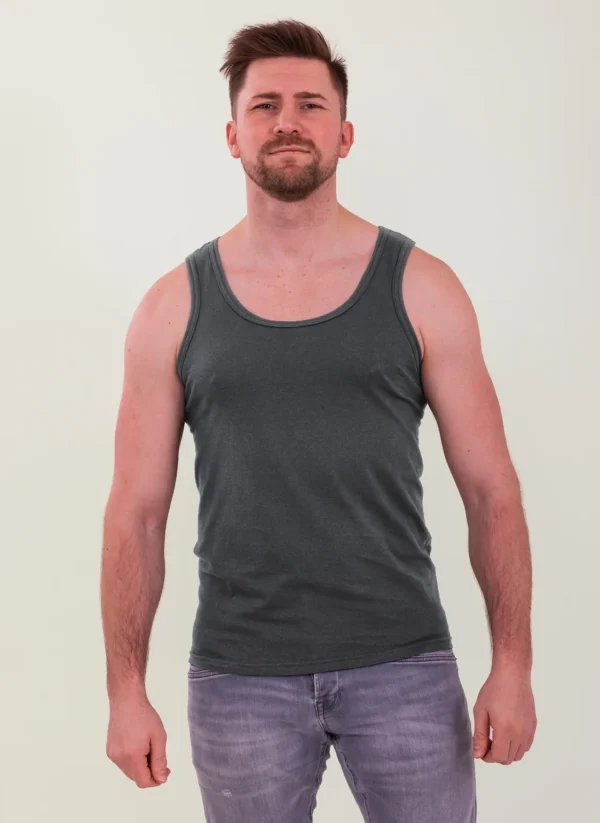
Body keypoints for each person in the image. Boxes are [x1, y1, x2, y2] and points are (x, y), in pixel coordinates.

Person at [101, 18, 537, 823]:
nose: (288, 122)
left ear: (345, 132)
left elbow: (491, 489)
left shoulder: (424, 288)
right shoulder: (171, 308)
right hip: (239, 677)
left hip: (404, 666)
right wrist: (125, 691)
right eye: (264, 106)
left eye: (310, 104)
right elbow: (135, 512)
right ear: (233, 135)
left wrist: (513, 666)